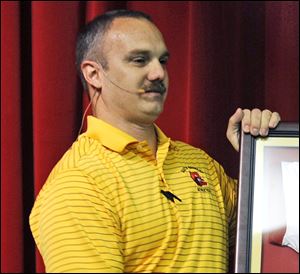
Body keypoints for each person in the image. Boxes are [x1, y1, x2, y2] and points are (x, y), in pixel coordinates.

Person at [29, 10, 281, 273]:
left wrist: (261, 154)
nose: (158, 73)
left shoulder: (199, 163)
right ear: (94, 74)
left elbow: (276, 235)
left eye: (162, 60)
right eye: (139, 60)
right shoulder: (78, 184)